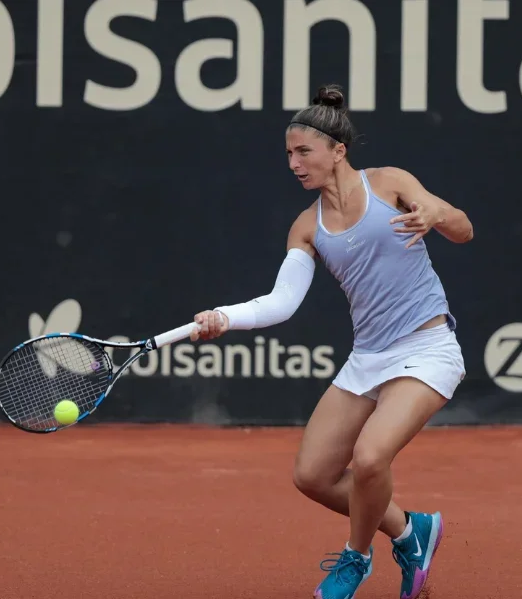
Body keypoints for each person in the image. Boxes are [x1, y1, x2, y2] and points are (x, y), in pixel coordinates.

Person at [189, 84, 474, 599]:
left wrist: (435, 215)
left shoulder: (390, 183)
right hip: (368, 357)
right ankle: (413, 533)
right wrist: (224, 318)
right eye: (289, 155)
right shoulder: (307, 226)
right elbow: (281, 302)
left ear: (337, 151)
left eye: (304, 152)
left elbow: (463, 229)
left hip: (427, 347)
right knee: (313, 475)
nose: (295, 164)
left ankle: (356, 559)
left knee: (369, 460)